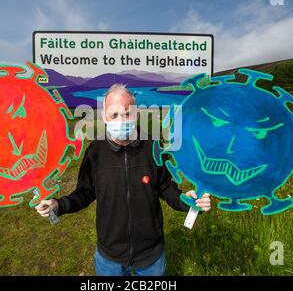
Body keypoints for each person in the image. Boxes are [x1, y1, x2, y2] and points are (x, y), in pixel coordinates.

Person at [35, 84, 211, 276]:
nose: (121, 120)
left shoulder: (153, 146)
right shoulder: (95, 151)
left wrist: (187, 201)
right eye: (114, 115)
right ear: (104, 117)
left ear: (136, 114)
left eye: (127, 113)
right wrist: (58, 205)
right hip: (109, 256)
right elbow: (85, 192)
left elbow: (166, 187)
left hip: (151, 255)